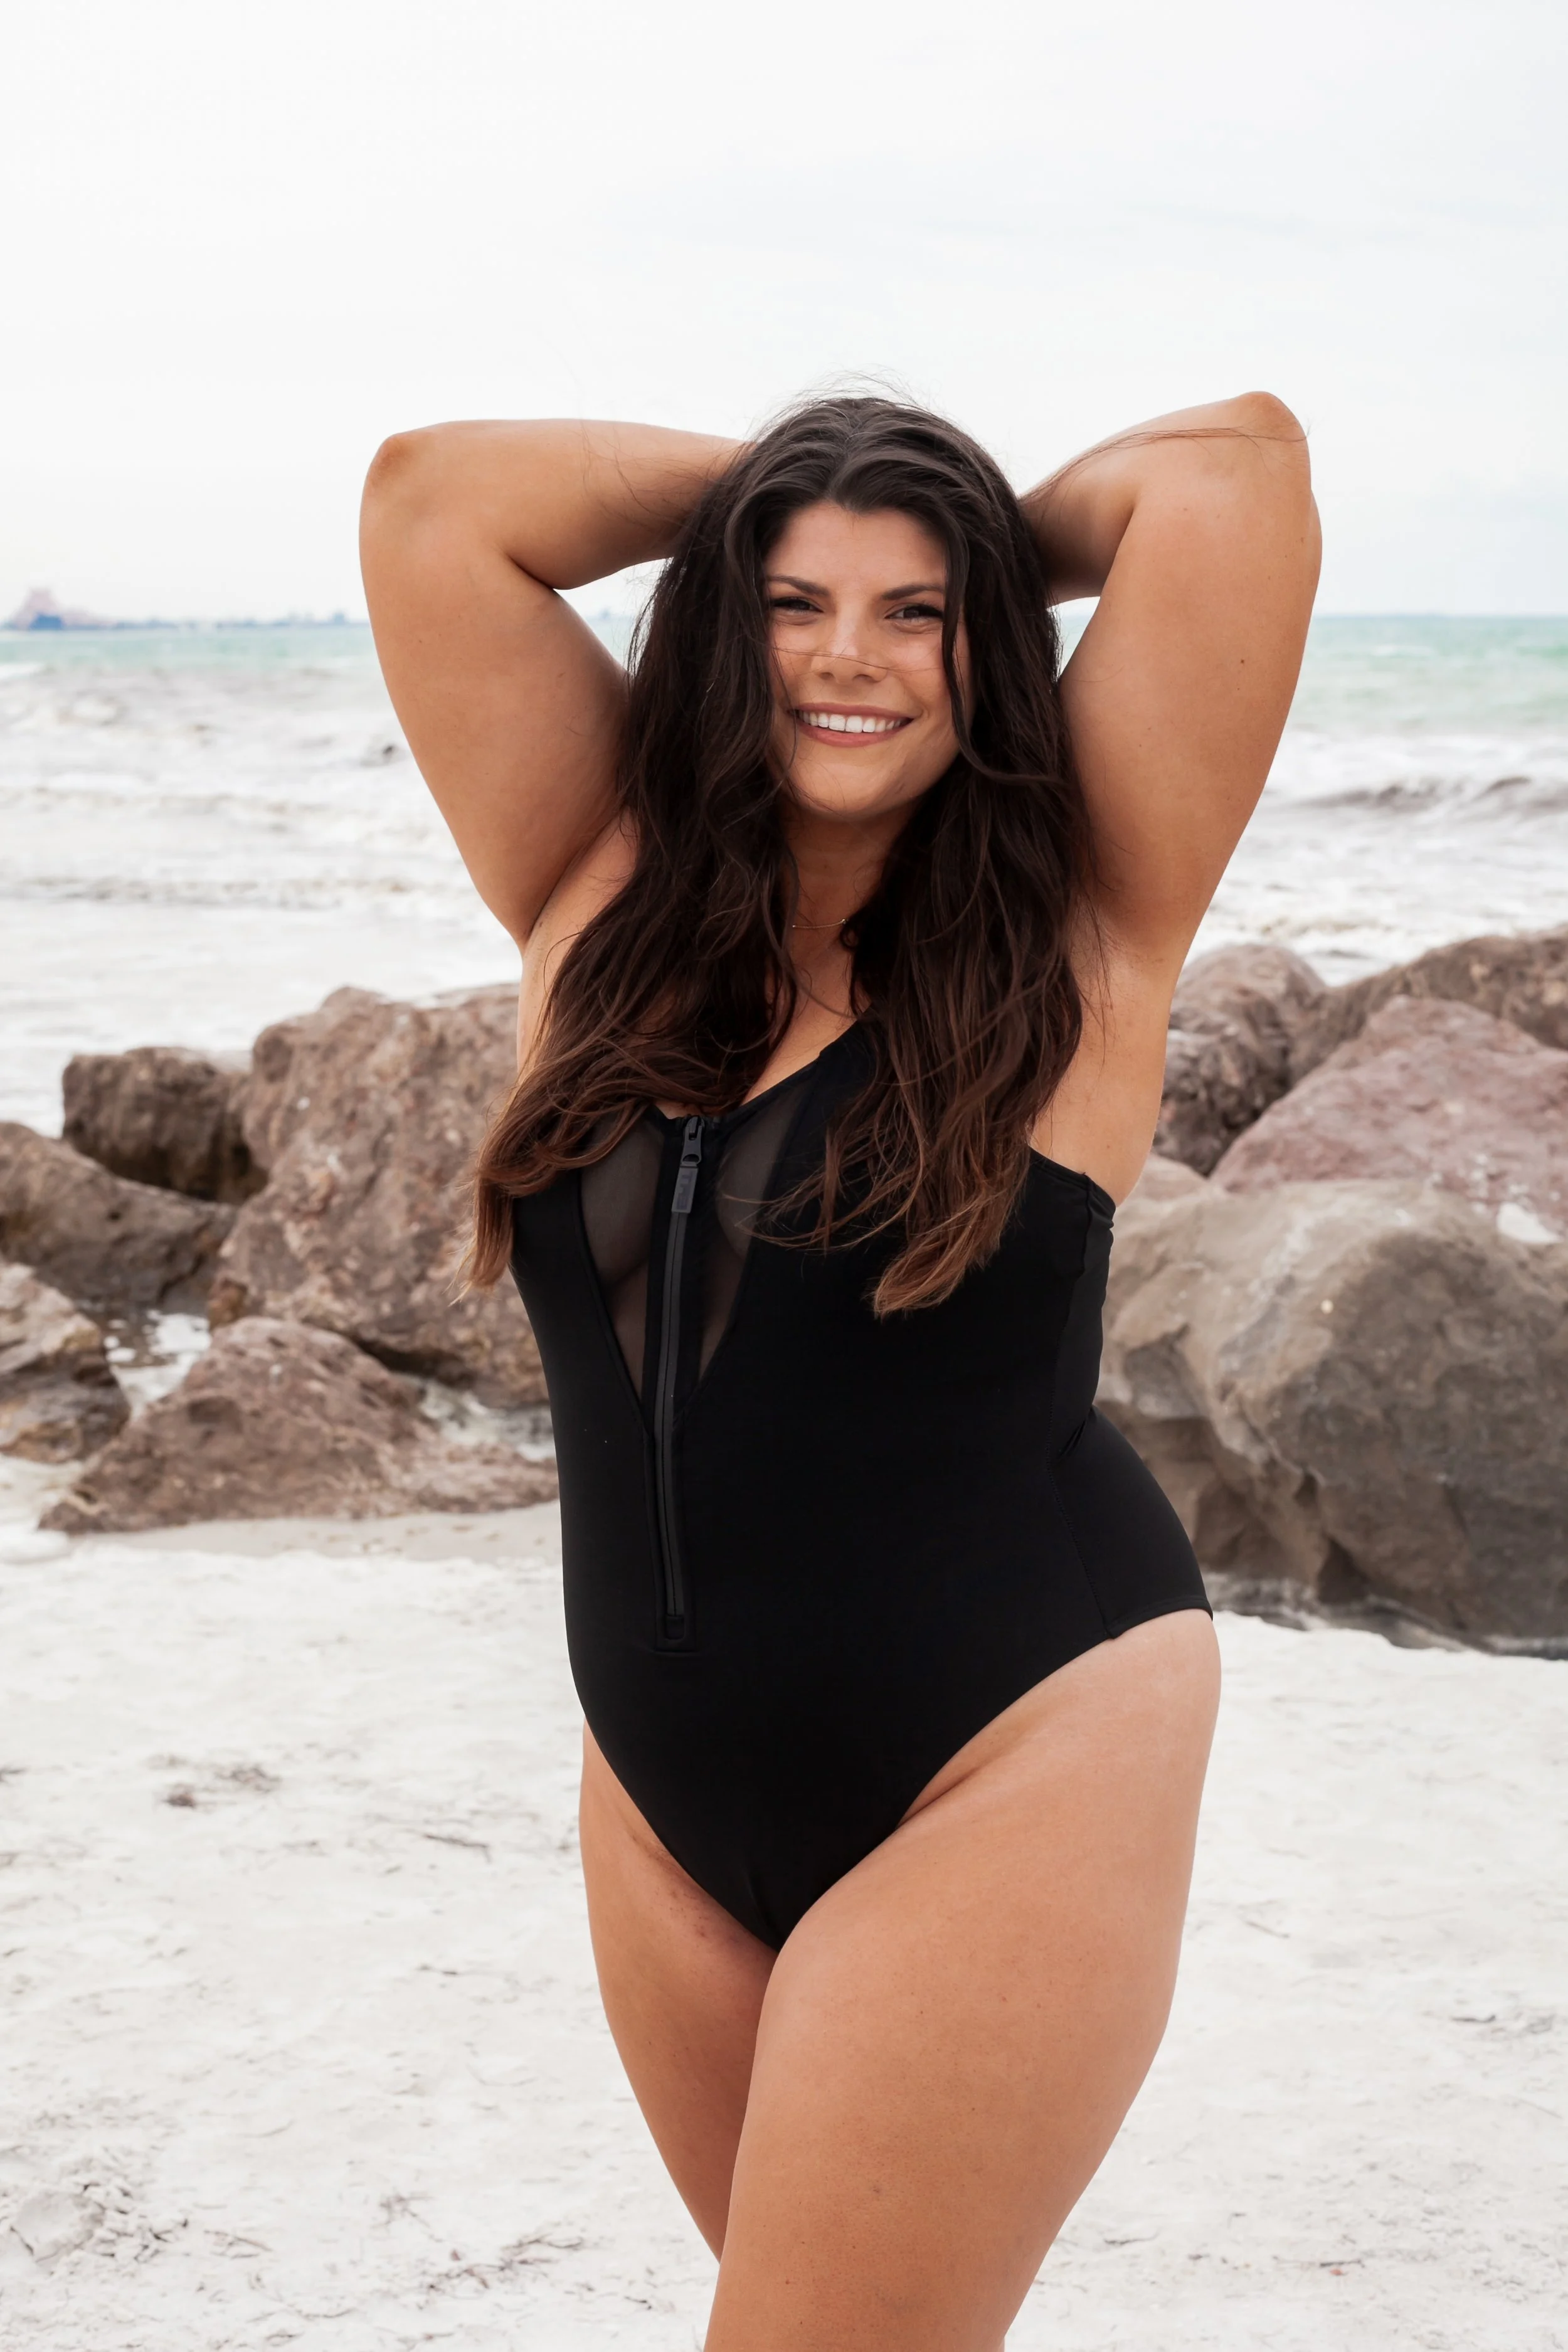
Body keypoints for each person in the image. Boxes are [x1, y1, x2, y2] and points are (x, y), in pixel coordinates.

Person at [359, 391, 1319, 2349]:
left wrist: (956, 514)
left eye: (915, 613)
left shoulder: (1085, 923)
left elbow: (1234, 475)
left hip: (1008, 1753)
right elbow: (432, 502)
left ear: (989, 643)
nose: (847, 660)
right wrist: (774, 496)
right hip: (663, 1799)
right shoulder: (596, 892)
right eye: (796, 607)